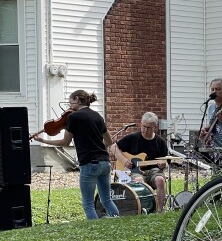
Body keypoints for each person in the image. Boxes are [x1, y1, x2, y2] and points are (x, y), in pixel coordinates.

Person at [33, 90, 120, 220]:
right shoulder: (98, 116)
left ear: (77, 99)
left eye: (70, 101)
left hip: (89, 163)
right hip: (105, 162)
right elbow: (109, 141)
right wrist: (98, 148)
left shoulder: (74, 117)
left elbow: (65, 142)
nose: (69, 105)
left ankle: (94, 229)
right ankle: (116, 222)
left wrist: (43, 141)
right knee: (106, 200)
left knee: (88, 204)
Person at [110, 112, 169, 212]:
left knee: (160, 180)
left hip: (153, 171)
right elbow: (113, 147)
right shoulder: (132, 138)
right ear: (141, 124)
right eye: (143, 126)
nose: (145, 130)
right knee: (139, 180)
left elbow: (166, 162)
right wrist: (124, 160)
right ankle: (141, 208)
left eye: (149, 128)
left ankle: (160, 210)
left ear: (155, 127)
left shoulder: (160, 142)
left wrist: (163, 165)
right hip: (135, 171)